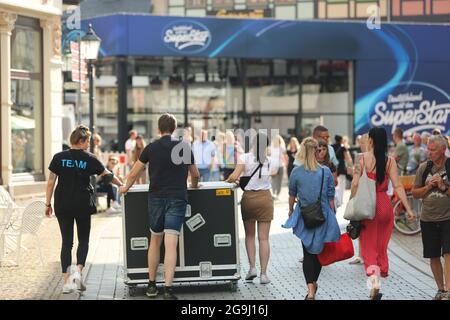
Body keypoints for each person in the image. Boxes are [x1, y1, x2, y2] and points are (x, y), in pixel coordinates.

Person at [119, 114, 200, 300]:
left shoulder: (151, 147)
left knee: (155, 241)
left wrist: (125, 188)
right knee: (171, 245)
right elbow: (195, 173)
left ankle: (151, 285)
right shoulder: (183, 147)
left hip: (156, 198)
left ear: (158, 129)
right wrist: (194, 186)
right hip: (177, 198)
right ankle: (168, 289)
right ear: (174, 128)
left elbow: (133, 173)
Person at [45, 125, 123, 294]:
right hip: (82, 204)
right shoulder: (89, 158)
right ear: (81, 141)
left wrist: (47, 203)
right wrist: (122, 186)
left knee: (66, 242)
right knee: (84, 240)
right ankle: (78, 273)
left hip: (62, 204)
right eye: (88, 141)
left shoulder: (58, 157)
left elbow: (51, 182)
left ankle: (67, 283)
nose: (89, 144)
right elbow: (107, 175)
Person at [351, 127, 416, 300]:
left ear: (370, 140)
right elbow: (398, 186)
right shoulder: (390, 161)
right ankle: (376, 281)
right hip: (384, 207)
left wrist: (352, 203)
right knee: (380, 248)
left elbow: (356, 184)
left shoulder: (362, 159)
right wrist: (408, 208)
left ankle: (374, 284)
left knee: (369, 250)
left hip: (368, 209)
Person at [286, 137, 340, 300]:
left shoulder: (296, 172)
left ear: (302, 151)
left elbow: (292, 194)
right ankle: (313, 283)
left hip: (305, 216)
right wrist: (332, 216)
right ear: (317, 151)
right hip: (323, 215)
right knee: (318, 252)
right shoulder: (325, 172)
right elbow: (331, 197)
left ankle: (310, 289)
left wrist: (290, 210)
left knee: (308, 252)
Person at [226, 132, 277, 285]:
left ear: (253, 143)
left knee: (249, 235)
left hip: (249, 199)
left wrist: (229, 181)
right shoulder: (270, 160)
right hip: (265, 199)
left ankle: (252, 268)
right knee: (264, 238)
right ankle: (263, 274)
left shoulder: (245, 158)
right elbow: (270, 175)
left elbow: (234, 177)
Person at [411, 134, 450, 300]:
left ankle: (448, 290)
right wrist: (428, 186)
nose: (429, 152)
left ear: (443, 150)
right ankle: (441, 289)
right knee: (433, 255)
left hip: (448, 218)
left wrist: (442, 186)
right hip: (428, 219)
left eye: (433, 150)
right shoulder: (423, 168)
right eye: (428, 149)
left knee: (448, 253)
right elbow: (414, 193)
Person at [348, 133, 368, 265]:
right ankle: (365, 254)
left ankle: (362, 255)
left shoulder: (360, 158)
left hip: (362, 195)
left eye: (361, 142)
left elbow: (355, 182)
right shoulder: (379, 157)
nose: (359, 145)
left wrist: (351, 198)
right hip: (375, 195)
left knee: (361, 226)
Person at [332, 135, 354, 208]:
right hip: (341, 167)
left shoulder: (331, 146)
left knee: (335, 184)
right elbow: (348, 158)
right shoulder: (343, 147)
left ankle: (336, 199)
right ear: (341, 140)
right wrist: (351, 165)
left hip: (333, 167)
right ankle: (340, 201)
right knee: (341, 184)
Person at [270, 135, 288, 201]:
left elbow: (285, 156)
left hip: (280, 166)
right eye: (275, 139)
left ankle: (277, 194)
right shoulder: (271, 148)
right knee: (274, 181)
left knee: (279, 181)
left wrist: (286, 165)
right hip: (273, 166)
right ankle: (274, 193)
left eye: (278, 140)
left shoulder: (282, 148)